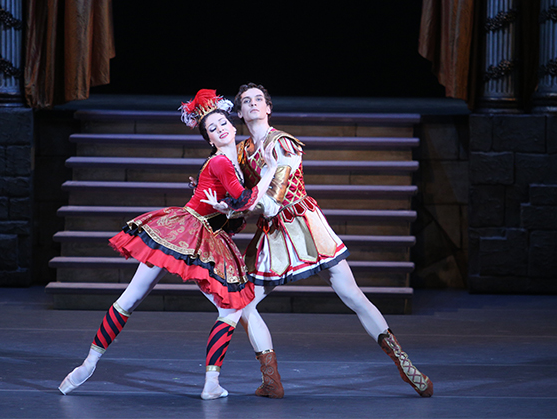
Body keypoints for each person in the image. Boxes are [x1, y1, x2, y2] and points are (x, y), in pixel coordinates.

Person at [58, 89, 278, 400]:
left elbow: (237, 211)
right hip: (190, 233)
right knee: (224, 309)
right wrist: (267, 172)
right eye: (213, 129)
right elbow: (244, 200)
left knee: (141, 300)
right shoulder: (222, 164)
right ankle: (92, 364)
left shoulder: (233, 163)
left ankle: (91, 363)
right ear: (210, 140)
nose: (221, 129)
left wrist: (228, 208)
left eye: (222, 123)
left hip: (204, 235)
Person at [233, 83, 433, 398]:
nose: (254, 104)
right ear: (241, 112)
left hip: (303, 226)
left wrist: (238, 204)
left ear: (269, 108)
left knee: (352, 295)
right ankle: (271, 379)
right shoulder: (243, 151)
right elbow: (241, 192)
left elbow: (274, 196)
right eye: (247, 101)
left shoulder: (283, 144)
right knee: (242, 302)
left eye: (259, 99)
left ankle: (405, 364)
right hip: (273, 234)